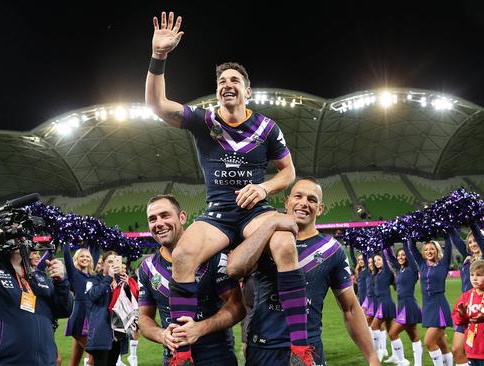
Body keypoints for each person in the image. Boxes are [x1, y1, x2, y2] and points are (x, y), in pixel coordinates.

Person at [146, 11, 310, 365]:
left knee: (284, 244)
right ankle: (184, 354)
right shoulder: (204, 121)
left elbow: (289, 173)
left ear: (247, 91)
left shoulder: (267, 127)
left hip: (255, 212)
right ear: (218, 91)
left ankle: (300, 348)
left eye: (234, 79)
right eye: (222, 80)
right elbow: (156, 106)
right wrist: (159, 57)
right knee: (184, 256)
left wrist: (265, 189)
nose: (226, 83)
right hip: (218, 213)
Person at [235, 178, 378, 365]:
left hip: (308, 349)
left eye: (311, 199)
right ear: (287, 202)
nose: (303, 203)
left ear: (320, 209)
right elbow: (235, 274)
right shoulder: (264, 239)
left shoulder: (332, 250)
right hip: (263, 348)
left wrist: (372, 357)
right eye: (298, 196)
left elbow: (350, 309)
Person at [137, 195, 246, 366]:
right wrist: (162, 335)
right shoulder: (147, 268)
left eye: (165, 215)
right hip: (174, 359)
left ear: (182, 217)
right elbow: (144, 318)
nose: (158, 223)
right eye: (152, 219)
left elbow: (237, 306)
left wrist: (200, 328)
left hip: (217, 358)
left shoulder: (214, 257)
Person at [0, 227, 73, 365]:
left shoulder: (37, 276)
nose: (20, 238)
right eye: (13, 232)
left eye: (23, 234)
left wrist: (61, 282)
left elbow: (64, 310)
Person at [449, 226, 484, 366]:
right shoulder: (467, 258)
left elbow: (481, 240)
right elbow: (457, 240)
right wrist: (449, 223)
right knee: (457, 350)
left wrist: (472, 222)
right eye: (470, 242)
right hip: (465, 308)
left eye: (475, 241)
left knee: (481, 354)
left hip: (481, 307)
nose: (473, 244)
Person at [406, 238, 454, 366]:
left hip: (439, 306)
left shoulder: (443, 264)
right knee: (441, 343)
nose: (429, 251)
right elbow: (411, 246)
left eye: (432, 249)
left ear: (437, 251)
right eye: (426, 249)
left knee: (428, 342)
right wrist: (415, 234)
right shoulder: (422, 264)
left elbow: (449, 247)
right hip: (427, 307)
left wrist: (446, 233)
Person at [85, 251, 137, 366]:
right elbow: (93, 295)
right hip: (101, 331)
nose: (112, 264)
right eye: (109, 261)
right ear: (103, 263)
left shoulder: (119, 280)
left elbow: (131, 302)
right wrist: (109, 277)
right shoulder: (93, 280)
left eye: (115, 261)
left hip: (117, 332)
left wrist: (127, 286)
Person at [386, 242, 423, 366]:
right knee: (414, 336)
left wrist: (404, 242)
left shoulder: (412, 269)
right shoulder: (399, 269)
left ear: (407, 256)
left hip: (408, 305)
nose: (401, 257)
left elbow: (409, 255)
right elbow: (391, 257)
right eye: (399, 255)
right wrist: (386, 243)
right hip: (402, 305)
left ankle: (402, 361)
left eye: (403, 255)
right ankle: (418, 364)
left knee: (392, 333)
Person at [63, 244, 99, 366]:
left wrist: (96, 237)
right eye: (81, 256)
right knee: (96, 353)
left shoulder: (91, 276)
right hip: (79, 318)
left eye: (87, 256)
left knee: (75, 360)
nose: (85, 258)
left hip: (90, 317)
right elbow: (67, 256)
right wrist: (65, 239)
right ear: (77, 259)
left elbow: (96, 250)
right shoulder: (74, 273)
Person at [370, 250, 397, 362]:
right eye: (375, 260)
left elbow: (385, 259)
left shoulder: (386, 271)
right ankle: (398, 357)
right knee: (391, 332)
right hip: (386, 304)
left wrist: (382, 247)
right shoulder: (378, 273)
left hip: (385, 304)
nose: (376, 262)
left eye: (379, 260)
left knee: (374, 326)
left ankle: (379, 351)